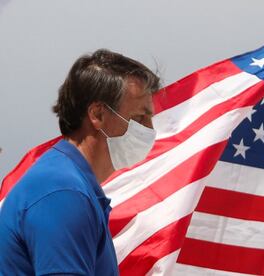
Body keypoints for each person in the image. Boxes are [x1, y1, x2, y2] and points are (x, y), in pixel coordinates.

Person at [0, 49, 160, 275]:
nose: (150, 130)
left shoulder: (70, 185)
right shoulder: (62, 192)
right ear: (98, 115)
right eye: (139, 118)